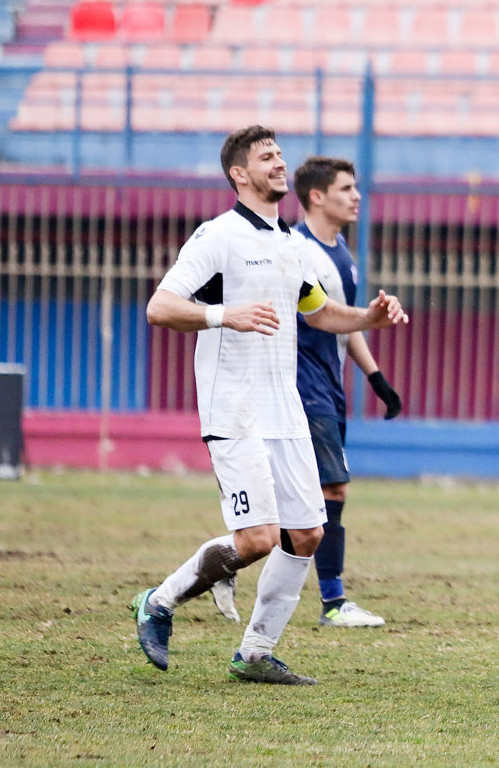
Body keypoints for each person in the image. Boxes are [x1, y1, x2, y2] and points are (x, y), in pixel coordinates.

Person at [132, 125, 408, 685]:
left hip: (286, 412)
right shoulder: (218, 236)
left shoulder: (289, 244)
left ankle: (255, 653)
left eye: (281, 154)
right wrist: (221, 314)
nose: (280, 163)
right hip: (234, 409)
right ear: (240, 174)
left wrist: (369, 319)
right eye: (267, 157)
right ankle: (158, 602)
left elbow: (320, 312)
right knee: (258, 538)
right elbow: (159, 307)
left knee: (308, 533)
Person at [292, 156, 401, 629]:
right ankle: (334, 602)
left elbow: (343, 321)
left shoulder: (340, 253)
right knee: (330, 489)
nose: (357, 196)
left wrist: (377, 379)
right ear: (317, 196)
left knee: (298, 498)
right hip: (303, 385)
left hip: (328, 387)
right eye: (346, 188)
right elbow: (327, 316)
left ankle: (228, 559)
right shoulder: (298, 251)